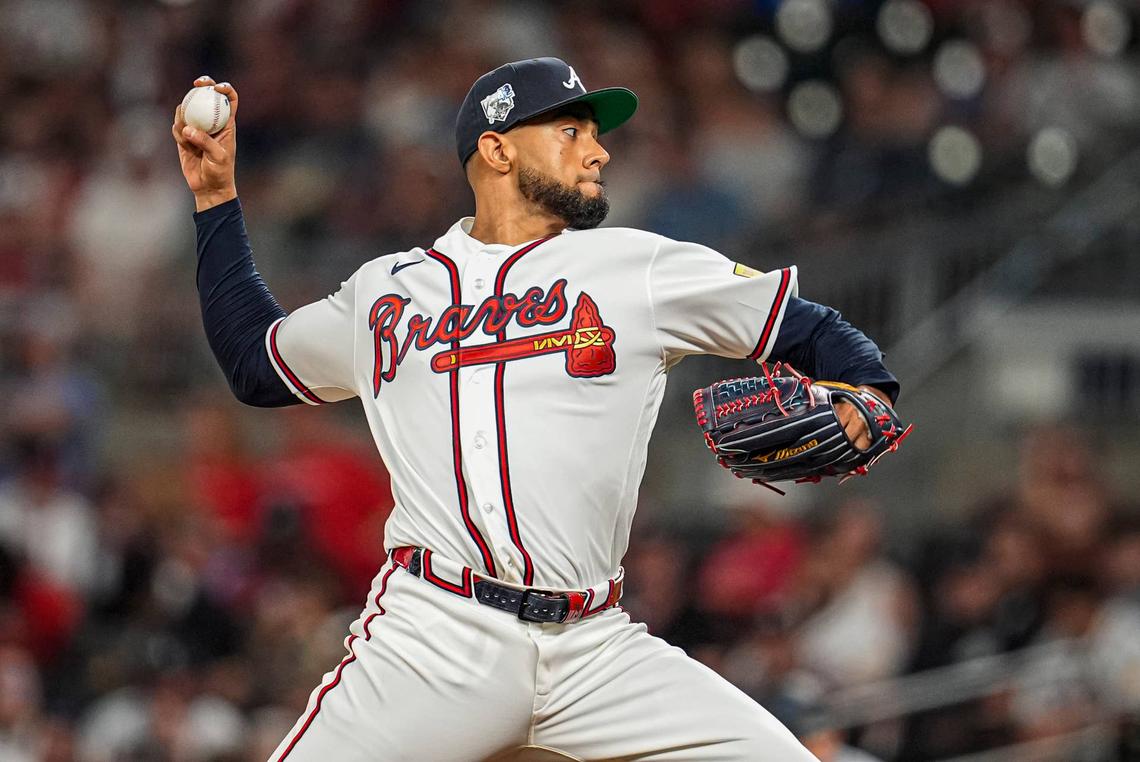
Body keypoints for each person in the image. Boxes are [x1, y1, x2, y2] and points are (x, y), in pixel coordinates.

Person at [172, 57, 899, 762]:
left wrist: (868, 388)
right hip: (435, 638)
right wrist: (215, 200)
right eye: (572, 132)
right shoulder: (386, 291)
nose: (599, 152)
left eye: (595, 135)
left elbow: (804, 325)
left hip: (595, 646)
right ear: (496, 149)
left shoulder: (636, 268)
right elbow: (255, 362)